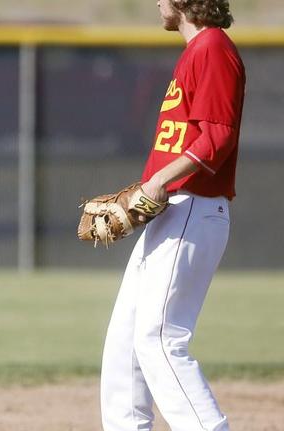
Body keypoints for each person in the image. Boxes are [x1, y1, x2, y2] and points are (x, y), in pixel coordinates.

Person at [99, 1, 245, 430]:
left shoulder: (213, 47)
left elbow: (218, 136)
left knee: (160, 337)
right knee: (125, 343)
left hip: (193, 206)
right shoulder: (196, 51)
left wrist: (159, 182)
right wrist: (150, 190)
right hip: (173, 212)